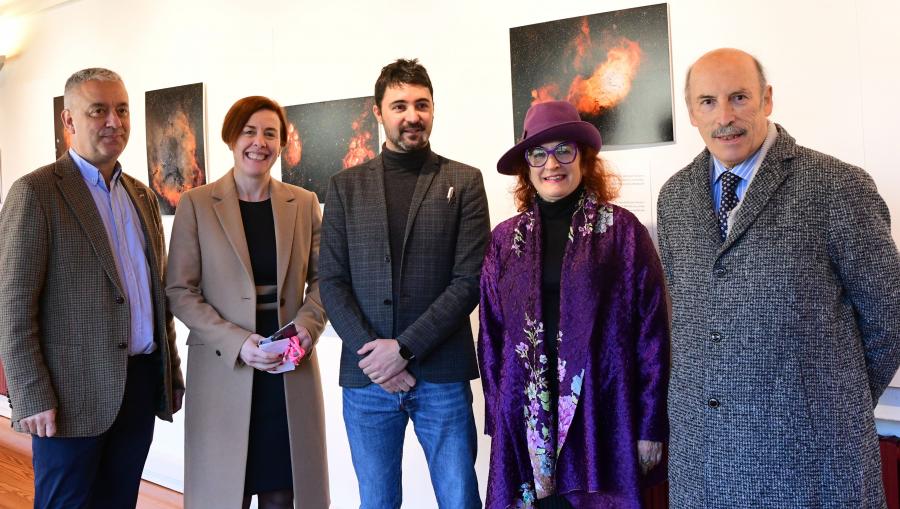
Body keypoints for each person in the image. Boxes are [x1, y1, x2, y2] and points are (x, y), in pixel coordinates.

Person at [658, 48, 900, 508]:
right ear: (690, 112)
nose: (724, 116)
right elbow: (687, 322)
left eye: (739, 97)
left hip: (812, 461)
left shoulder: (836, 185)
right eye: (708, 101)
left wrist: (830, 405)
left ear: (767, 100)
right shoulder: (674, 197)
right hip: (703, 465)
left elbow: (890, 314)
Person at [0, 67, 184, 508]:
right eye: (98, 110)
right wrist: (31, 394)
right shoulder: (36, 192)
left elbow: (155, 299)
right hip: (68, 396)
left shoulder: (141, 196)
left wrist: (169, 372)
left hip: (138, 385)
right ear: (68, 121)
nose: (114, 122)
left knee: (119, 501)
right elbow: (11, 308)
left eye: (121, 110)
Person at [479, 100, 669, 509]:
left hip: (602, 416)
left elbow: (652, 331)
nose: (552, 163)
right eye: (538, 153)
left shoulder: (622, 232)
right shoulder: (504, 241)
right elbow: (491, 337)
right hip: (527, 422)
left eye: (564, 149)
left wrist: (651, 424)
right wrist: (499, 419)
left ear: (583, 158)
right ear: (527, 166)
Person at [319, 58, 489, 509]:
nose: (412, 116)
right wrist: (377, 359)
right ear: (378, 112)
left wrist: (404, 350)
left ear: (433, 108)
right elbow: (331, 281)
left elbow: (469, 280)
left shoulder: (465, 181)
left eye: (421, 104)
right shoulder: (343, 187)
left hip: (442, 375)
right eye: (399, 105)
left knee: (460, 499)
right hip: (366, 378)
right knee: (376, 502)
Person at [166, 96, 329, 509]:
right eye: (249, 131)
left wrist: (307, 330)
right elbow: (180, 291)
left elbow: (326, 280)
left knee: (284, 492)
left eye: (270, 133)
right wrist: (238, 341)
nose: (259, 142)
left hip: (287, 368)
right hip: (225, 367)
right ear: (231, 137)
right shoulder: (196, 204)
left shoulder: (304, 202)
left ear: (281, 143)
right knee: (225, 493)